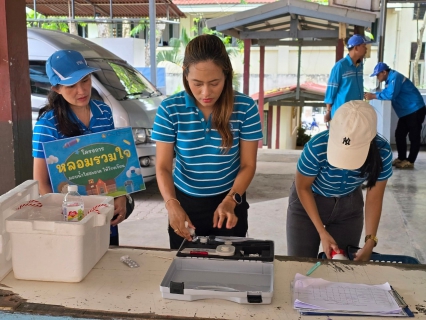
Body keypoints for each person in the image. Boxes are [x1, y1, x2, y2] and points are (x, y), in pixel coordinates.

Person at [151, 35, 263, 249]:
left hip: (230, 199)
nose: (206, 92)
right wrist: (172, 205)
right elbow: (163, 167)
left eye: (214, 83)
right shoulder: (170, 109)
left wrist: (231, 200)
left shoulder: (245, 107)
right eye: (197, 83)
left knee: (228, 270)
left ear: (226, 75)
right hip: (185, 203)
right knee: (186, 272)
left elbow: (248, 165)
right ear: (185, 74)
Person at [32, 49, 130, 246]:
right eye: (71, 85)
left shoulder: (104, 112)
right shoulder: (47, 124)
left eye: (85, 80)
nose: (82, 90)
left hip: (103, 211)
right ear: (56, 88)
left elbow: (111, 162)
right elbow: (41, 182)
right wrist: (65, 217)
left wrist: (120, 196)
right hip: (70, 217)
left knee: (107, 261)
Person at [287, 100, 392, 261]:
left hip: (349, 205)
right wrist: (322, 232)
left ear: (370, 139)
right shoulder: (316, 147)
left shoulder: (382, 151)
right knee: (300, 264)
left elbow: (375, 196)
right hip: (309, 201)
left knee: (341, 266)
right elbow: (303, 187)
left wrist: (370, 240)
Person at [365, 62, 426, 169]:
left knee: (414, 136)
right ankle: (401, 158)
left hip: (415, 109)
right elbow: (388, 92)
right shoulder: (390, 80)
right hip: (406, 112)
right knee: (399, 134)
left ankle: (410, 161)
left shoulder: (395, 77)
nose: (377, 77)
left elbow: (390, 94)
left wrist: (373, 96)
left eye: (378, 74)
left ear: (384, 72)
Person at [324, 34, 371, 123]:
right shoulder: (340, 66)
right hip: (342, 114)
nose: (366, 49)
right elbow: (331, 89)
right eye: (364, 46)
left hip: (356, 113)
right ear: (356, 48)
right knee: (342, 137)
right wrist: (328, 112)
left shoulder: (360, 65)